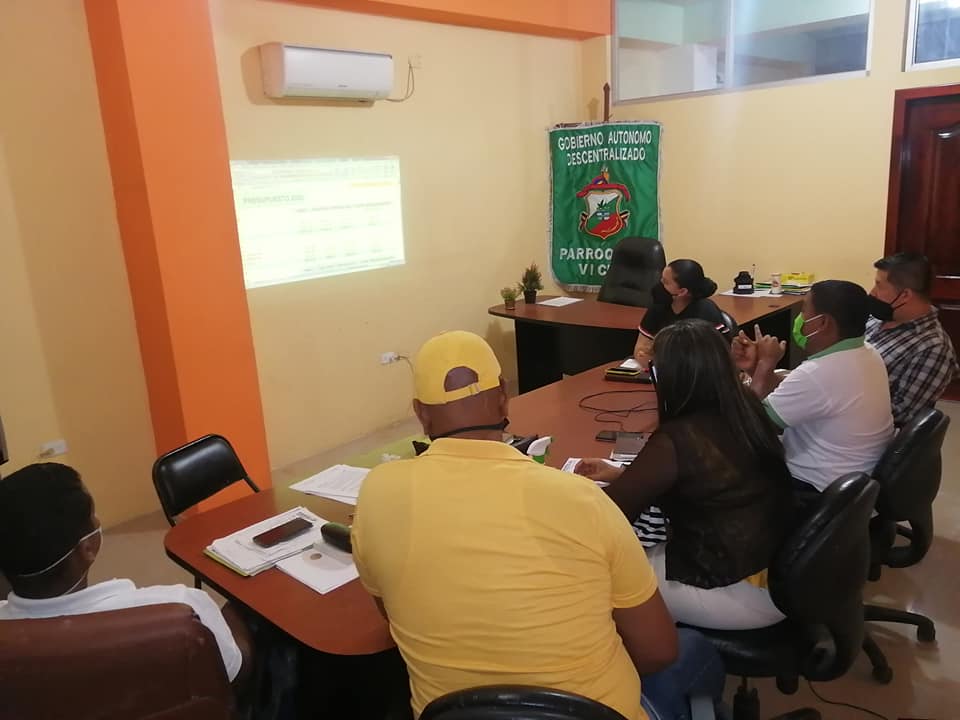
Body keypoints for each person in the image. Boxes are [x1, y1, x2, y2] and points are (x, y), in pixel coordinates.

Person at [351, 330, 723, 720]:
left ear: (420, 413)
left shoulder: (375, 493)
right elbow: (657, 652)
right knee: (694, 652)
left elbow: (393, 615)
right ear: (503, 396)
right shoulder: (582, 499)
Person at [578, 320, 794, 631]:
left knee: (601, 573)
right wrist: (622, 473)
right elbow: (709, 474)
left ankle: (636, 652)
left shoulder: (676, 439)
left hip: (733, 591)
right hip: (776, 574)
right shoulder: (746, 408)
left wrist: (563, 490)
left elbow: (609, 515)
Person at [0, 463, 252, 685]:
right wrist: (241, 607)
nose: (97, 521)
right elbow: (235, 671)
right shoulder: (180, 608)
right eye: (93, 515)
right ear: (87, 548)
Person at [735, 280, 894, 493]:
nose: (800, 320)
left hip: (816, 489)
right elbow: (798, 393)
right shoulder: (868, 352)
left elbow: (751, 425)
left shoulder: (819, 373)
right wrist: (757, 369)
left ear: (823, 323)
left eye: (804, 311)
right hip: (856, 481)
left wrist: (765, 364)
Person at [866, 252, 958, 426]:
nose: (872, 292)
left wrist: (842, 403)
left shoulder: (933, 348)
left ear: (905, 295)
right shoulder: (877, 318)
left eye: (879, 285)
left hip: (862, 427)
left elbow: (902, 413)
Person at [634, 259, 729, 361]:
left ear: (682, 291)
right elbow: (640, 350)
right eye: (661, 279)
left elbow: (711, 360)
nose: (660, 284)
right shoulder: (658, 307)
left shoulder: (707, 312)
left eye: (665, 282)